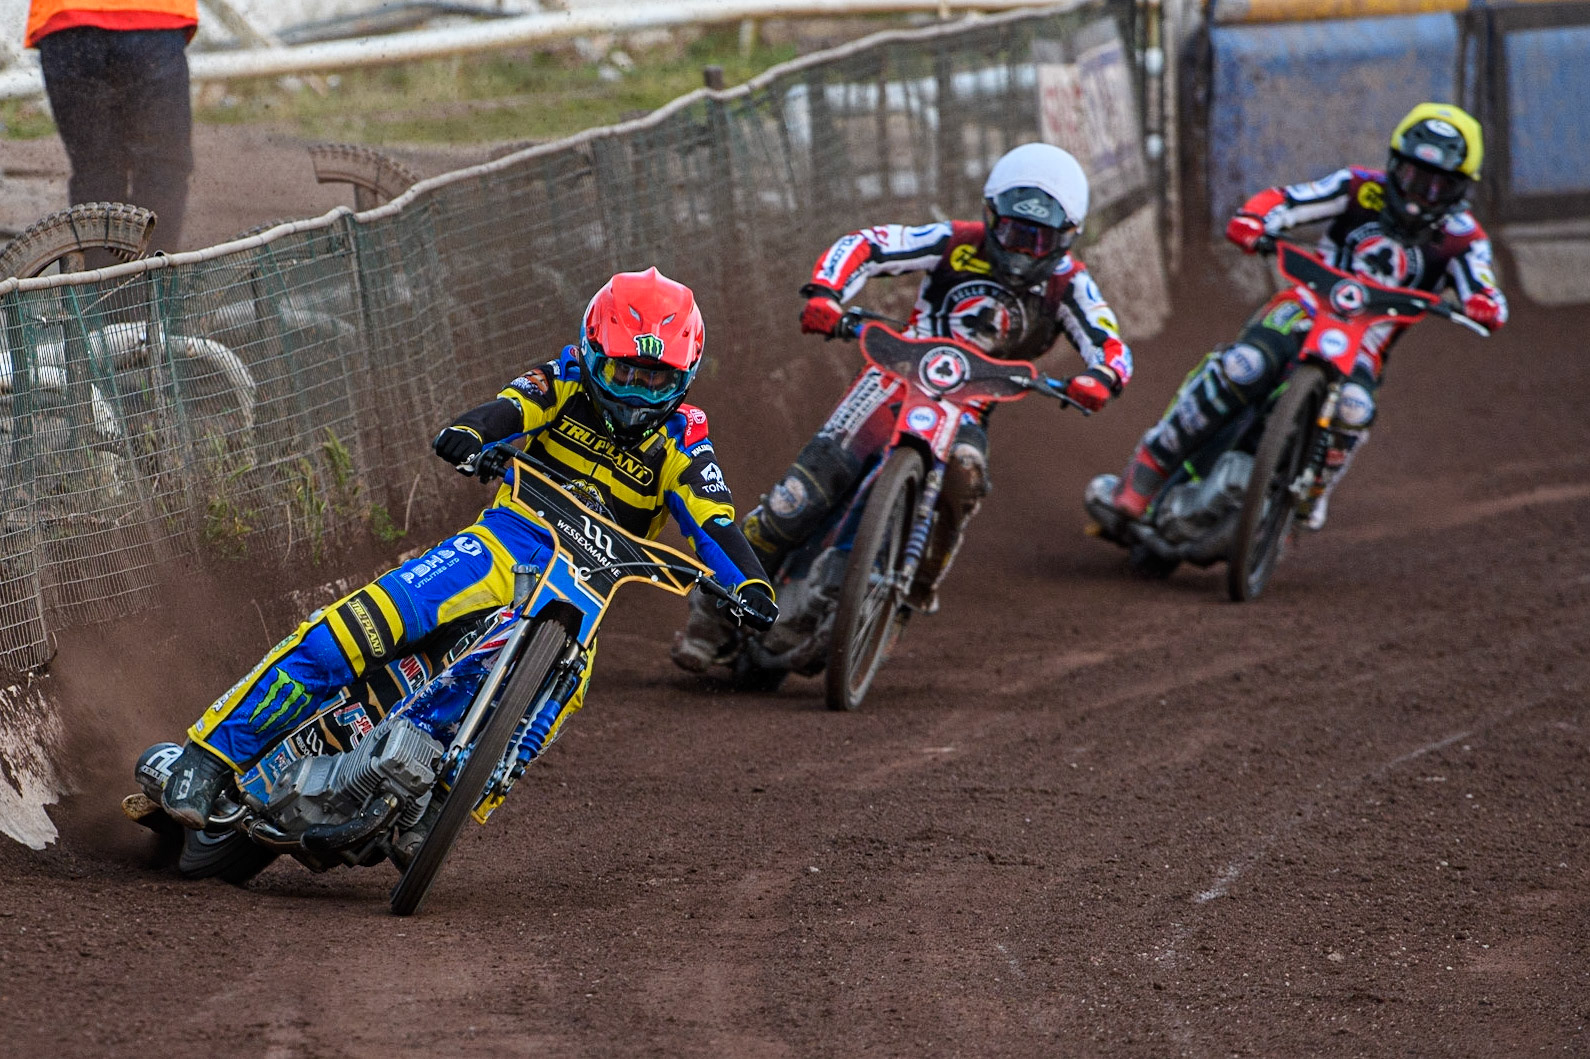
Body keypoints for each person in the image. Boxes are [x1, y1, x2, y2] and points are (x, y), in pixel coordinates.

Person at [160, 268, 778, 829]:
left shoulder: (684, 437)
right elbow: (508, 410)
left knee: (559, 696)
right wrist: (470, 433)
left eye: (656, 380)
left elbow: (713, 519)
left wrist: (749, 584)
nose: (638, 394)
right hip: (504, 546)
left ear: (685, 378)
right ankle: (210, 755)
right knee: (358, 628)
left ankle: (438, 813)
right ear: (593, 354)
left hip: (590, 586)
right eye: (624, 374)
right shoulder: (561, 381)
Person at [672, 142, 1133, 671]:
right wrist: (827, 292)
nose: (1024, 251)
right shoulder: (955, 241)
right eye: (1013, 233)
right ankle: (709, 611)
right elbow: (870, 244)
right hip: (891, 381)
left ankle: (916, 579)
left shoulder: (1070, 284)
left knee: (965, 475)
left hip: (970, 406)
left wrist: (1100, 378)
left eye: (1040, 239)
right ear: (991, 216)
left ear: (1068, 237)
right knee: (793, 502)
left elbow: (1109, 340)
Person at [1098, 102, 1508, 532]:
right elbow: (1289, 200)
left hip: (1367, 340)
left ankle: (1314, 490)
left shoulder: (1463, 238)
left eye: (1437, 185)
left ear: (1461, 189)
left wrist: (1484, 304)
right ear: (1393, 164)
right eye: (1411, 176)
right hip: (1306, 305)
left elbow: (1484, 287)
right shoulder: (1358, 187)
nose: (1419, 193)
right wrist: (1255, 218)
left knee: (1354, 406)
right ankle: (1150, 465)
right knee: (1244, 365)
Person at [26, 0, 197, 250]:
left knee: (95, 168)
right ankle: (152, 282)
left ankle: (101, 284)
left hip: (67, 17)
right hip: (154, 15)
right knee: (161, 165)